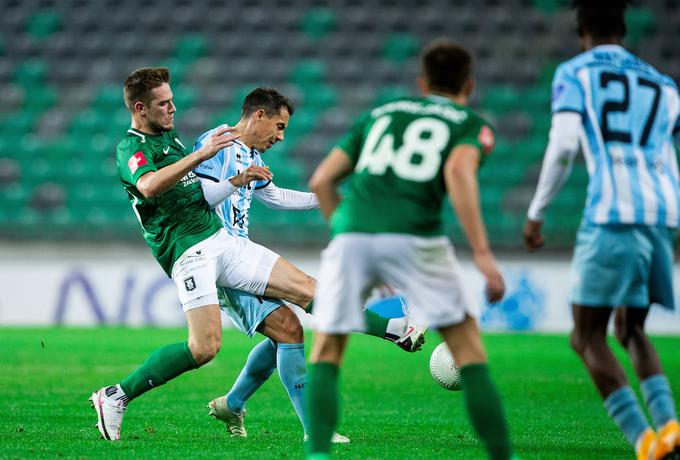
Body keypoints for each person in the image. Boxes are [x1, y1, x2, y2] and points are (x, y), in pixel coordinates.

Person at [304, 39, 515, 459]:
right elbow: (458, 172)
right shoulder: (470, 124)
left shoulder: (380, 115)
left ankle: (319, 455)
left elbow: (321, 182)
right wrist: (482, 253)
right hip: (418, 236)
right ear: (468, 86)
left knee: (328, 349)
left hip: (353, 234)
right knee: (468, 350)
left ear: (422, 82)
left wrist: (347, 232)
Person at [90, 67, 326, 442]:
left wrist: (235, 181)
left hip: (219, 240)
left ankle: (396, 328)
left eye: (172, 100)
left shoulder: (173, 140)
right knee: (204, 348)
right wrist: (200, 156)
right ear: (140, 108)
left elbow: (199, 195)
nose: (173, 108)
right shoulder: (131, 148)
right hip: (187, 251)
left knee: (308, 292)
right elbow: (149, 186)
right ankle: (116, 395)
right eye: (164, 103)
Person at [191, 87, 426, 442]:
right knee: (300, 314)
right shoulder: (218, 142)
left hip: (239, 253)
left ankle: (234, 403)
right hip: (221, 258)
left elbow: (276, 197)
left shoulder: (247, 152)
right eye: (279, 126)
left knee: (285, 333)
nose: (281, 137)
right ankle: (395, 330)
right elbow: (201, 199)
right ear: (259, 116)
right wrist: (239, 180)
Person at [523, 2, 680, 459]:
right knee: (631, 328)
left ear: (581, 32)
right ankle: (669, 427)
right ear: (624, 30)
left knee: (585, 336)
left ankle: (645, 442)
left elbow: (565, 143)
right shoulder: (664, 84)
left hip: (613, 214)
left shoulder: (575, 72)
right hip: (660, 215)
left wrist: (536, 214)